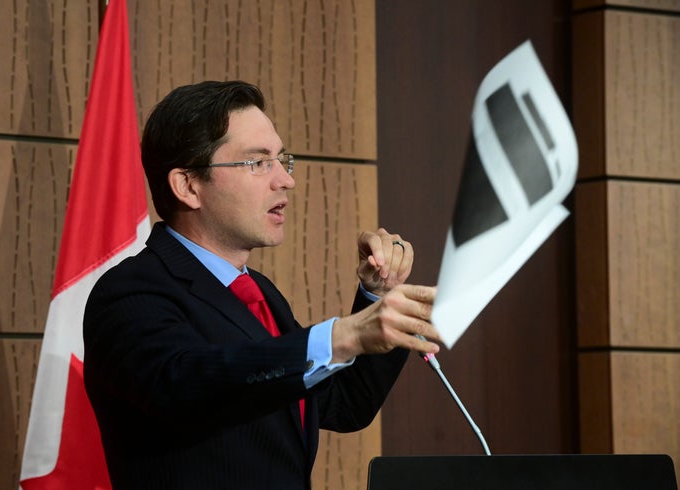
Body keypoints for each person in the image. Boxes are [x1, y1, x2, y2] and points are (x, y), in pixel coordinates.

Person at [83, 80, 440, 490]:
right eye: (257, 163)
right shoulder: (130, 292)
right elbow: (186, 387)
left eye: (281, 159)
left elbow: (344, 406)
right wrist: (341, 336)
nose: (285, 181)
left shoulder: (260, 294)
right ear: (187, 185)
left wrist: (376, 294)